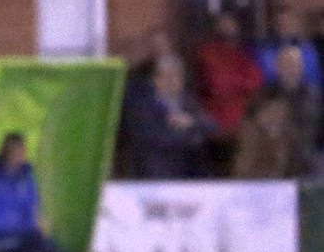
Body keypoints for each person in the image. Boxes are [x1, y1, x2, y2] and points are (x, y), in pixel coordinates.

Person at [122, 54, 216, 179]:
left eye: (176, 76)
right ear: (156, 79)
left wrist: (191, 122)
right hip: (157, 170)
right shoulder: (142, 105)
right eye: (166, 76)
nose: (171, 81)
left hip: (191, 169)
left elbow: (211, 126)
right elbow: (152, 137)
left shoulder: (188, 102)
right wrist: (192, 137)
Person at [193, 12, 262, 176]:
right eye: (223, 24)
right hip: (215, 126)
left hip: (242, 125)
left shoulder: (248, 52)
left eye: (230, 24)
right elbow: (216, 82)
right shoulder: (207, 52)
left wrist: (232, 83)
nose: (227, 28)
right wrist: (238, 84)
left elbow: (255, 82)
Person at [234, 46, 317, 178]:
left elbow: (313, 126)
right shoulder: (266, 92)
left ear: (301, 67)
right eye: (285, 63)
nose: (289, 68)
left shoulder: (312, 95)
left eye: (293, 64)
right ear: (277, 67)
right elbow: (252, 118)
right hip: (268, 144)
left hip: (303, 146)